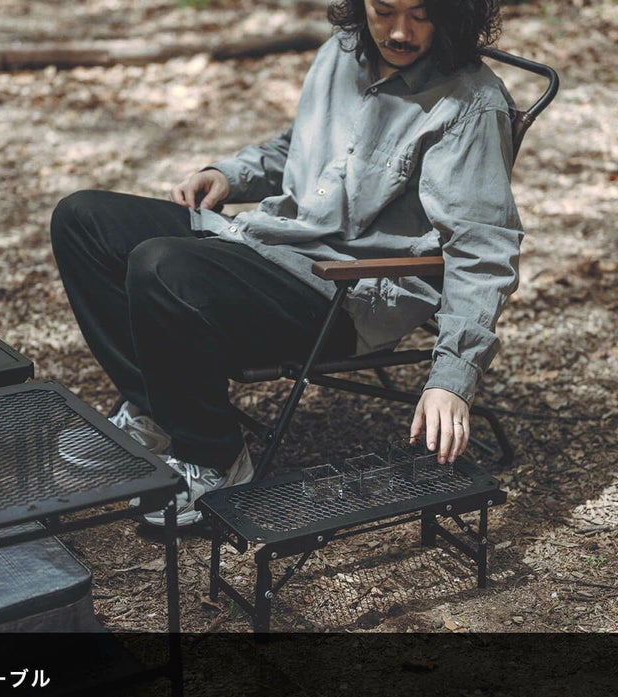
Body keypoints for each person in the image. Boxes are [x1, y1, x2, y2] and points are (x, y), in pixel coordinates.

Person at [50, 0, 521, 526]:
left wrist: (451, 378)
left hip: (342, 293)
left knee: (161, 267)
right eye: (384, 10)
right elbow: (302, 148)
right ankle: (159, 412)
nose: (399, 32)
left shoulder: (471, 105)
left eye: (421, 15)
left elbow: (482, 250)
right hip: (273, 242)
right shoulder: (343, 53)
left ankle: (213, 458)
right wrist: (230, 175)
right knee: (81, 219)